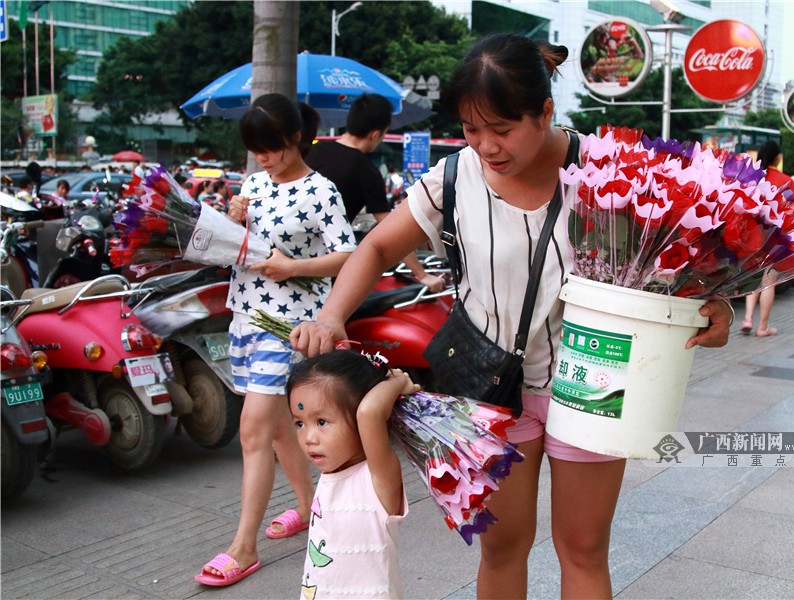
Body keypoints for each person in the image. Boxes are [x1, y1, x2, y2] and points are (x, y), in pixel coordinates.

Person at [290, 33, 732, 599]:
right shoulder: (452, 179)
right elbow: (375, 247)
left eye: (502, 130)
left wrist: (709, 300)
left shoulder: (605, 172)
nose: (486, 146)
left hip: (594, 382)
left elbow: (670, 253)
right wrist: (331, 316)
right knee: (503, 549)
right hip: (489, 389)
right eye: (472, 130)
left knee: (583, 550)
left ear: (545, 111)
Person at [195, 93, 357, 587]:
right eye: (255, 150)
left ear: (295, 139)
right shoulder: (254, 184)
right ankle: (310, 509)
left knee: (254, 431)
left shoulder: (320, 190)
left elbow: (348, 255)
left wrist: (294, 268)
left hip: (289, 328)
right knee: (282, 425)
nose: (262, 158)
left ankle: (243, 548)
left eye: (270, 148)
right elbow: (238, 249)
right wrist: (232, 219)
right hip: (245, 317)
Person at [288, 350, 417, 598]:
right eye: (299, 423)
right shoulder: (330, 477)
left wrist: (396, 380)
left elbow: (369, 413)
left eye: (322, 422)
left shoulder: (378, 478)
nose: (309, 438)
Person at [306, 94, 444, 293]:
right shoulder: (366, 171)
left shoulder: (312, 151)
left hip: (289, 251)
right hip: (326, 266)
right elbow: (392, 230)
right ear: (375, 134)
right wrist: (421, 274)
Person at [742, 140, 794, 338]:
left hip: (753, 233)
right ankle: (763, 327)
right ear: (777, 157)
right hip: (776, 235)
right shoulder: (785, 180)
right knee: (769, 280)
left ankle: (748, 318)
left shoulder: (753, 178)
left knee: (754, 277)